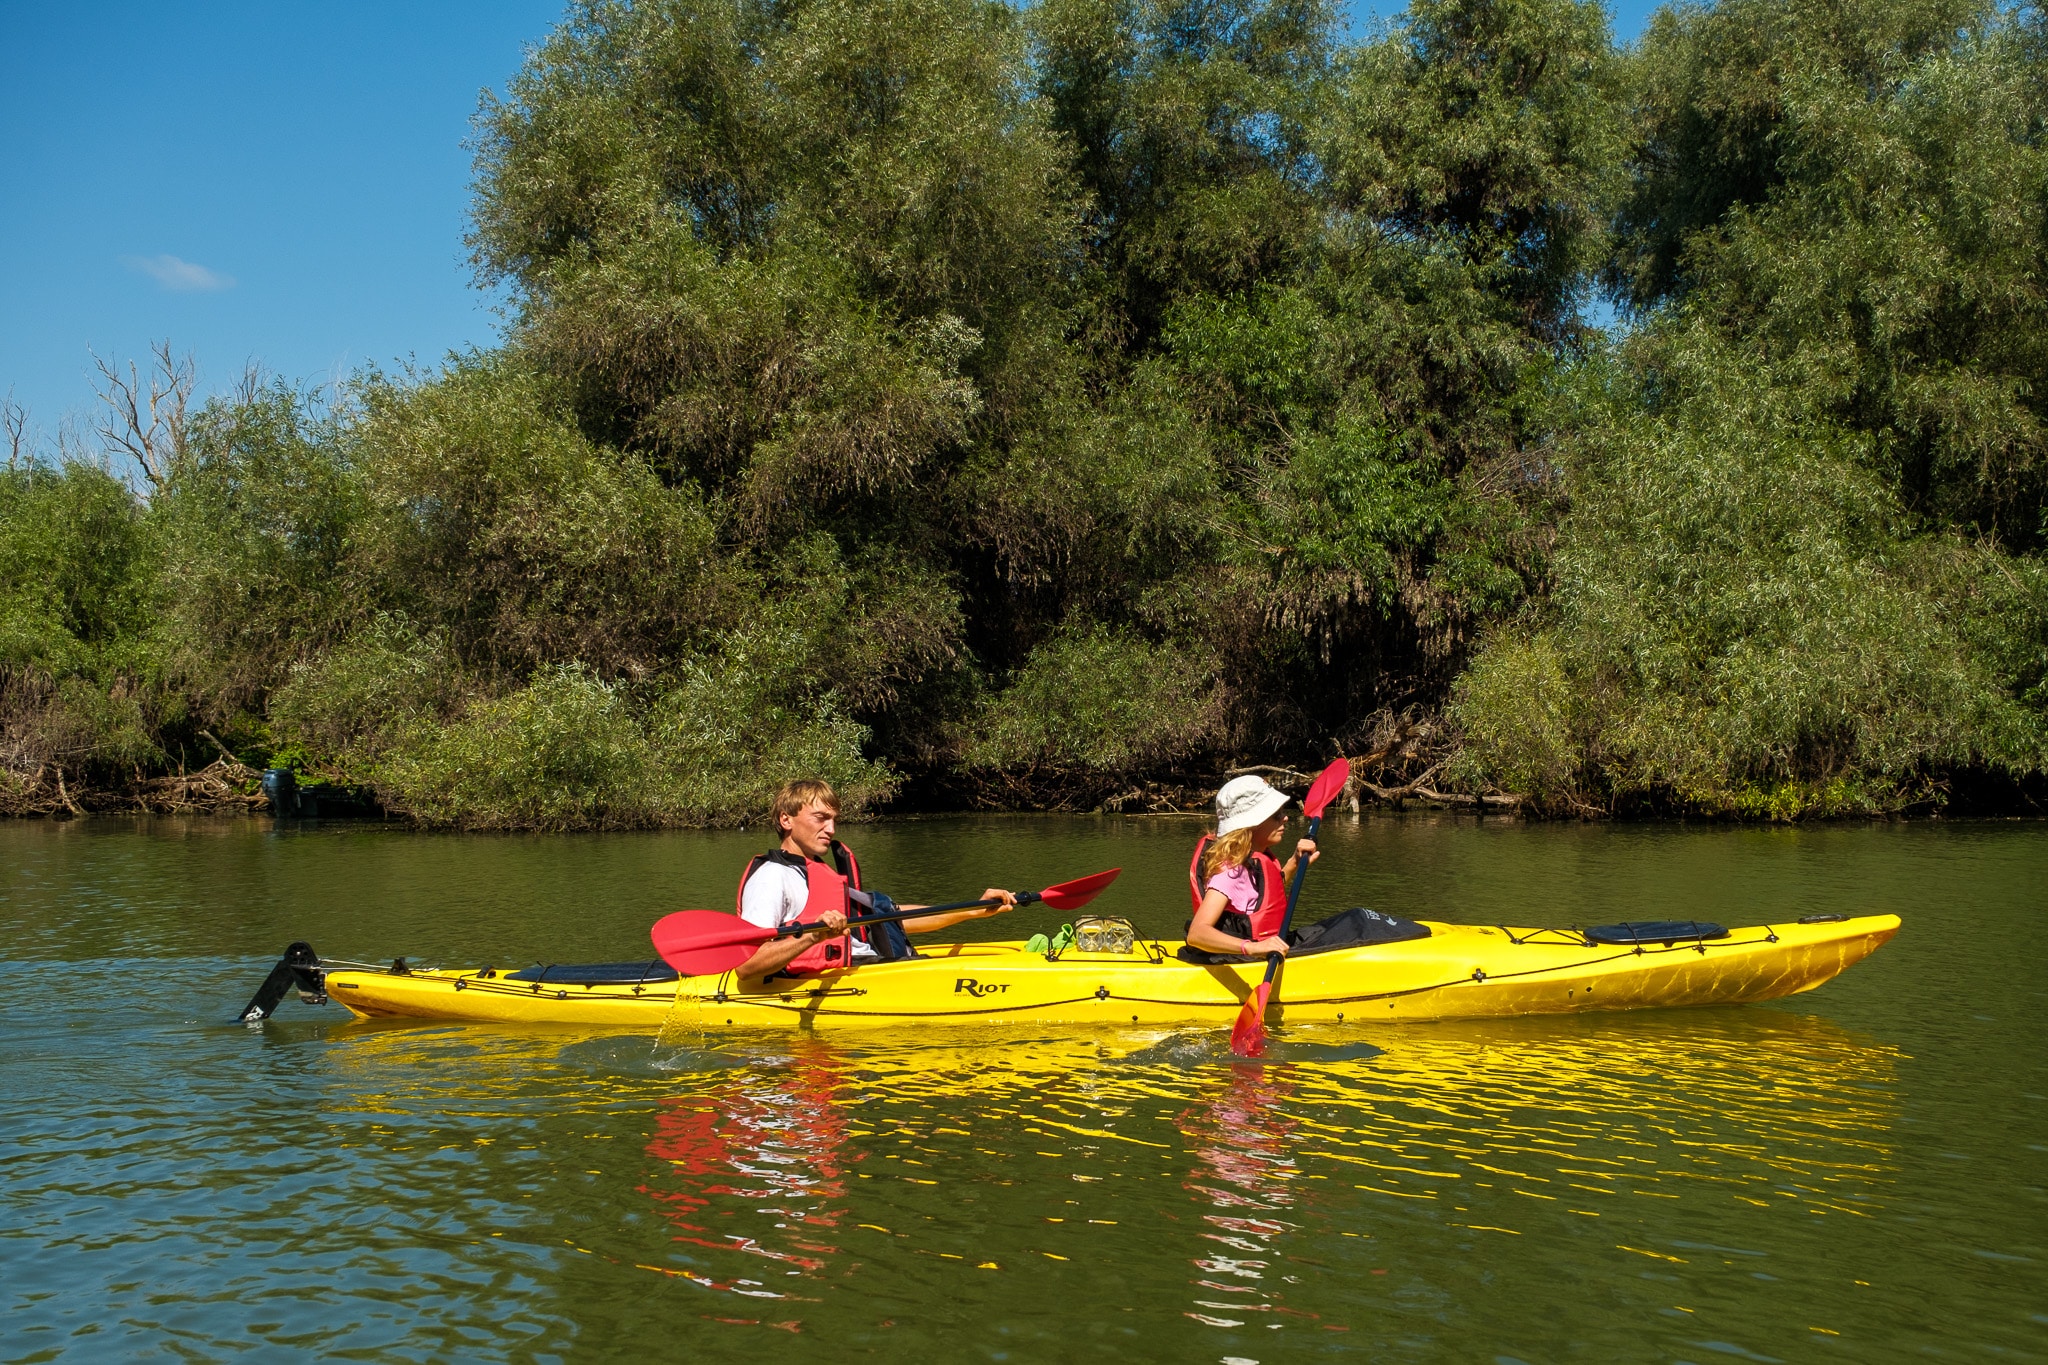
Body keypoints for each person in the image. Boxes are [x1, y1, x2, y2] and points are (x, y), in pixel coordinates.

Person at [733, 779, 1017, 981]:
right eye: (820, 818)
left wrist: (972, 910)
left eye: (834, 819)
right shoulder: (772, 876)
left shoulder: (817, 872)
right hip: (840, 983)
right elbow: (747, 966)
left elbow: (889, 919)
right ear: (786, 820)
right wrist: (813, 936)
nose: (831, 829)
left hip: (869, 970)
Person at [1180, 774, 1428, 964]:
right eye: (1276, 815)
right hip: (1247, 957)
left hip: (1269, 945)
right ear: (1251, 825)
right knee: (1358, 925)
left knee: (1356, 918)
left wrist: (1294, 863)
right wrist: (1253, 948)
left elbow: (1257, 902)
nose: (1285, 818)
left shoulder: (1250, 861)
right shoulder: (1229, 871)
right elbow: (1198, 933)